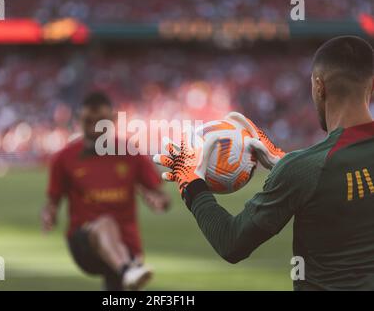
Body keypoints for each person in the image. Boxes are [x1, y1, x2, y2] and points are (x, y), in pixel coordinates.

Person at [154, 36, 374, 290]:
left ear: (319, 87)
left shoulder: (305, 168)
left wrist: (190, 182)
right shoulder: (302, 169)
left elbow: (232, 242)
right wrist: (284, 163)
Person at [41, 91, 170, 291]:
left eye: (100, 121)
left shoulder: (131, 153)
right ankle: (127, 269)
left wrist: (158, 201)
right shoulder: (64, 158)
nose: (94, 128)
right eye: (88, 121)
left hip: (126, 243)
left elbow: (161, 195)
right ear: (79, 120)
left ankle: (126, 270)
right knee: (105, 223)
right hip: (84, 242)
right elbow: (52, 202)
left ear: (113, 119)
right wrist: (49, 215)